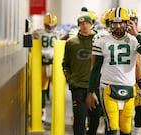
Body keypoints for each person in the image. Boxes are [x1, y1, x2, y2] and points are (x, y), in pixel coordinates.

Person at [86, 7, 141, 135]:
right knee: (112, 128)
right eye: (115, 23)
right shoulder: (101, 41)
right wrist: (90, 91)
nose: (118, 26)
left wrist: (137, 34)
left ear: (127, 23)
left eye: (121, 22)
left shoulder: (134, 40)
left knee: (126, 129)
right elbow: (95, 69)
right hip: (108, 87)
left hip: (129, 87)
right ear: (110, 24)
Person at [62, 7, 97, 135]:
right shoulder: (71, 42)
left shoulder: (98, 40)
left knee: (95, 118)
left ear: (91, 24)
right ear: (78, 25)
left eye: (87, 23)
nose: (85, 25)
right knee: (79, 119)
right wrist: (70, 79)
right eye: (82, 23)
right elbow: (65, 63)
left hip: (95, 86)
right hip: (78, 86)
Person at [33, 12, 63, 126]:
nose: (50, 27)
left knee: (55, 88)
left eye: (52, 25)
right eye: (48, 25)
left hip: (52, 63)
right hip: (45, 63)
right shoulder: (59, 33)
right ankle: (43, 110)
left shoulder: (38, 33)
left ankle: (52, 111)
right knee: (43, 88)